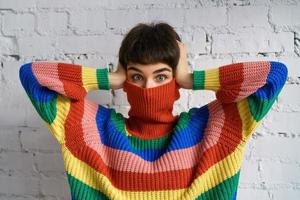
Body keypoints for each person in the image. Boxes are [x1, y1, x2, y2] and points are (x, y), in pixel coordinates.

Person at [19, 22, 288, 200]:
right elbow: (32, 76)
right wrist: (111, 78)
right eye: (136, 77)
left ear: (175, 82)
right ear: (125, 82)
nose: (147, 87)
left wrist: (189, 78)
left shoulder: (213, 129)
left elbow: (273, 75)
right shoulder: (94, 130)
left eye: (161, 77)